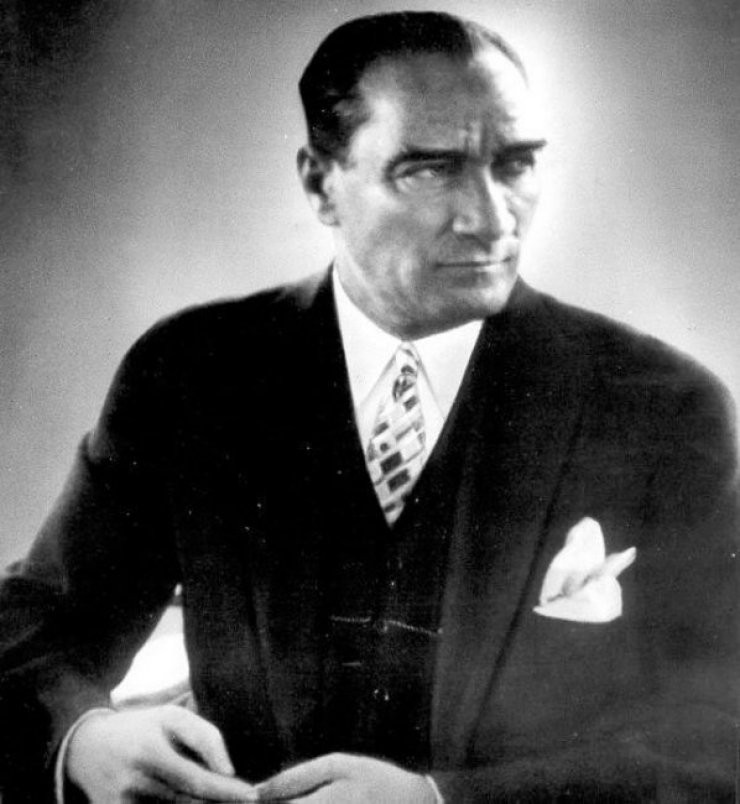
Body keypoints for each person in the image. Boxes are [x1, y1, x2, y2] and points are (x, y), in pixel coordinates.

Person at [0, 10, 737, 803]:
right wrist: (86, 737)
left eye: (516, 164)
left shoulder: (664, 409)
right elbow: (36, 629)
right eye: (429, 171)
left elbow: (719, 733)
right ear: (321, 184)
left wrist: (441, 801)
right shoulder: (191, 372)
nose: (492, 219)